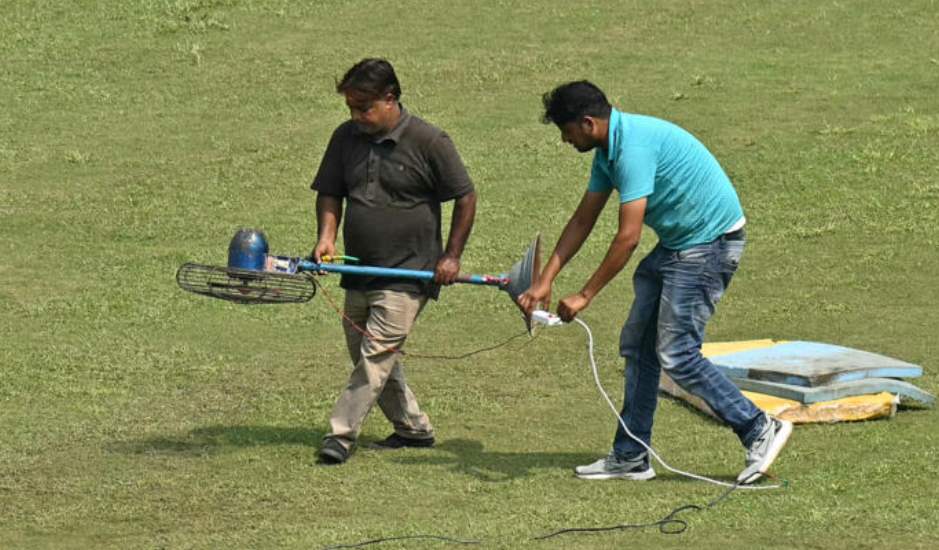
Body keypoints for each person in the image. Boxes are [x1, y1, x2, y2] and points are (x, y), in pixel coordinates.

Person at [518, 81, 791, 484]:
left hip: (710, 244)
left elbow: (627, 238)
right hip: (680, 244)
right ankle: (630, 455)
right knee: (640, 348)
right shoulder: (609, 150)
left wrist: (585, 294)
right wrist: (545, 281)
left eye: (566, 130)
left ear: (588, 123)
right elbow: (582, 220)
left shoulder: (633, 150)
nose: (564, 139)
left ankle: (758, 427)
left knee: (677, 353)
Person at [310, 58, 477, 465]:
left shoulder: (430, 141)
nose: (356, 116)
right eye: (350, 107)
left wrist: (451, 256)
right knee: (367, 355)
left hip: (409, 273)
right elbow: (330, 191)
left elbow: (466, 197)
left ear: (390, 98)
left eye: (363, 107)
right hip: (358, 270)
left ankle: (340, 435)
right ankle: (413, 429)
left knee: (375, 357)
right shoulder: (345, 137)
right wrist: (326, 236)